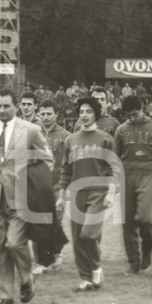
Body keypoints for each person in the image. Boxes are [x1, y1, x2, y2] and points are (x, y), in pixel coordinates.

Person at [0, 89, 53, 304]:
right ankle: (4, 295)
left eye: (6, 106)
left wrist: (29, 175)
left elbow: (48, 160)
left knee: (15, 243)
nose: (1, 110)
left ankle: (26, 279)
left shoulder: (31, 130)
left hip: (22, 198)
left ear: (16, 107)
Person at [57, 96, 118, 292]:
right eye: (81, 112)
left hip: (99, 192)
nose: (84, 115)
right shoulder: (70, 140)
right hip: (77, 192)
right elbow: (66, 170)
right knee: (77, 237)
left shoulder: (106, 139)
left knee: (89, 234)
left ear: (96, 114)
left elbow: (114, 169)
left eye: (88, 111)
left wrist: (111, 192)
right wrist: (61, 195)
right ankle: (85, 278)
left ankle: (96, 267)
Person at [114, 95, 152, 274]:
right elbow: (115, 160)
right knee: (127, 221)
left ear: (143, 108)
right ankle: (134, 262)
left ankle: (147, 250)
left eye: (135, 114)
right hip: (126, 177)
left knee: (145, 218)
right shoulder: (121, 130)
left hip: (148, 176)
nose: (132, 118)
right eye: (128, 115)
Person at [37, 99, 71, 272]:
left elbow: (70, 163)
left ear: (57, 114)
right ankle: (46, 257)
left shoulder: (66, 136)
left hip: (58, 185)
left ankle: (55, 254)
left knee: (55, 219)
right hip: (38, 185)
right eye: (42, 114)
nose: (45, 117)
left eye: (49, 113)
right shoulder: (34, 133)